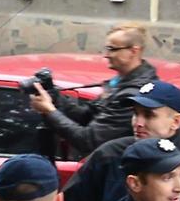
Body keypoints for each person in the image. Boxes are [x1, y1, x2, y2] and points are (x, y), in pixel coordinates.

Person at [27, 22, 159, 156]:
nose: (106, 55)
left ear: (133, 51)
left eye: (112, 49)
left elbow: (89, 141)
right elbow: (86, 116)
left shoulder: (132, 95)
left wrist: (50, 111)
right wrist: (54, 95)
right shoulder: (120, 84)